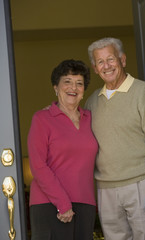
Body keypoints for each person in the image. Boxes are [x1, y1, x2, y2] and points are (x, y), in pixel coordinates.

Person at [85, 37, 145, 240]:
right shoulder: (92, 103)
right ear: (95, 68)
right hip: (106, 189)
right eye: (100, 62)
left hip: (142, 183)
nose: (106, 66)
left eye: (111, 59)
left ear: (122, 60)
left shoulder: (144, 93)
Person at [27, 59, 98, 240]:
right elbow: (38, 165)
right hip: (49, 204)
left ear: (83, 90)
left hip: (85, 203)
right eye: (67, 81)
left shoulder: (91, 118)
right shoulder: (42, 118)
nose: (73, 87)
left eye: (79, 83)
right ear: (56, 87)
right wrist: (63, 203)